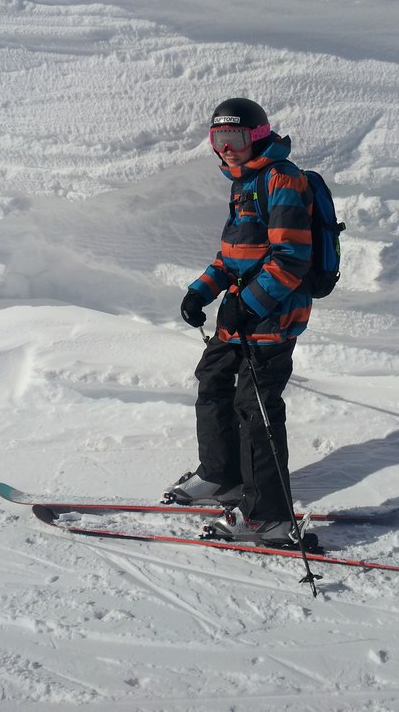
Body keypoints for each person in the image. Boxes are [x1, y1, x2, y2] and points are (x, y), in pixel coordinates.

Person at [167, 98, 313, 546]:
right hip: (241, 317)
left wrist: (246, 305)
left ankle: (268, 515)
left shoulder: (282, 179)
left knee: (257, 410)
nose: (227, 148)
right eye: (219, 140)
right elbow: (232, 255)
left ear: (258, 134)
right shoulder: (243, 183)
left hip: (271, 320)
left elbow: (292, 258)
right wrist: (202, 291)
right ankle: (220, 476)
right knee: (212, 380)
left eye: (235, 138)